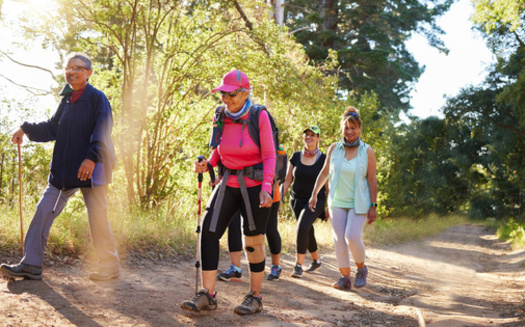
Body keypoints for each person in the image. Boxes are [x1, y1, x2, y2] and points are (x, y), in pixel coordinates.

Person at [0, 53, 119, 282]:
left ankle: (109, 265)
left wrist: (91, 157)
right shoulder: (66, 99)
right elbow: (53, 128)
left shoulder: (97, 98)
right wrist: (25, 129)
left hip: (92, 169)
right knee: (44, 210)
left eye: (78, 68)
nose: (72, 72)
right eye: (68, 68)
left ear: (88, 73)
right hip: (64, 171)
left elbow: (103, 128)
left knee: (97, 217)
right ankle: (31, 264)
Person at [181, 69, 275, 315]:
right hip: (228, 183)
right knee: (208, 232)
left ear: (244, 92)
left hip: (255, 187)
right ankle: (207, 295)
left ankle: (255, 297)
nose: (225, 99)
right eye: (222, 94)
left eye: (230, 94)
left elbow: (270, 155)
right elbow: (218, 149)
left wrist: (267, 188)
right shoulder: (221, 114)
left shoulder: (259, 116)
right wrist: (208, 164)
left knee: (253, 243)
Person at [308, 107, 377, 290]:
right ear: (342, 129)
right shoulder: (334, 149)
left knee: (352, 236)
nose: (349, 131)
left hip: (359, 202)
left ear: (359, 129)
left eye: (353, 128)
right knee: (339, 239)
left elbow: (372, 179)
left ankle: (361, 269)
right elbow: (324, 173)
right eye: (346, 128)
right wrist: (315, 193)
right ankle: (344, 278)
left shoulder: (367, 151)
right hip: (337, 201)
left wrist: (373, 205)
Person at [282, 125, 328, 278]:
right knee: (307, 229)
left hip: (315, 200)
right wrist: (280, 194)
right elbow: (288, 179)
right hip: (296, 200)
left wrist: (328, 206)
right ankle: (316, 260)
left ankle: (298, 265)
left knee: (302, 227)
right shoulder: (295, 156)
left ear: (318, 138)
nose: (309, 137)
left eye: (313, 135)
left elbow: (327, 184)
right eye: (306, 134)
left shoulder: (323, 159)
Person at [217, 182, 282, 282]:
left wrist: (273, 188)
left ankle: (276, 266)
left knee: (270, 229)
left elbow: (281, 171)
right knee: (233, 222)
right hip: (241, 187)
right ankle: (235, 268)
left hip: (267, 190)